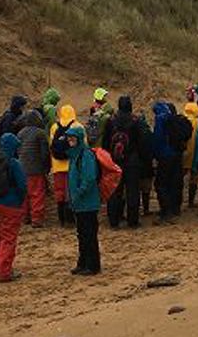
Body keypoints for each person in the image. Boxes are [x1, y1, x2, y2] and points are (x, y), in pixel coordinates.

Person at [0, 133, 27, 282]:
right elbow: (22, 185)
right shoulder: (13, 163)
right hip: (10, 205)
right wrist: (20, 201)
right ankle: (5, 272)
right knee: (8, 239)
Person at [101, 95, 144, 229]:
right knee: (133, 192)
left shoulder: (111, 120)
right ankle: (133, 221)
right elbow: (141, 143)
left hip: (115, 160)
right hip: (132, 160)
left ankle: (114, 221)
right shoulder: (135, 121)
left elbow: (105, 142)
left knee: (115, 191)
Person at [66, 126, 101, 275]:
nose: (70, 140)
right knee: (82, 234)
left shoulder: (85, 155)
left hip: (88, 203)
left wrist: (79, 193)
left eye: (73, 137)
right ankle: (83, 262)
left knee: (89, 234)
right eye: (69, 138)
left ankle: (92, 265)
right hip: (79, 203)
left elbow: (89, 178)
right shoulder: (75, 155)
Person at [16, 109, 50, 227]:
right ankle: (37, 219)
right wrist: (46, 166)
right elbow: (44, 153)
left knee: (25, 195)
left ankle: (25, 217)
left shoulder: (20, 133)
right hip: (36, 168)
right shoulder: (40, 133)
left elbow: (18, 151)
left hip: (22, 168)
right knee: (37, 194)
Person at [49, 104, 81, 226]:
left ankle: (61, 217)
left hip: (58, 165)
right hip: (73, 164)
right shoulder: (77, 126)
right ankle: (71, 218)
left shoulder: (54, 127)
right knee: (72, 191)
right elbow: (83, 145)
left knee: (59, 191)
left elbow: (51, 146)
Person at [182, 102, 198, 208]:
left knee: (180, 176)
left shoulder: (182, 120)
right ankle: (191, 202)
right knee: (193, 178)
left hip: (184, 153)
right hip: (195, 153)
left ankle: (177, 200)